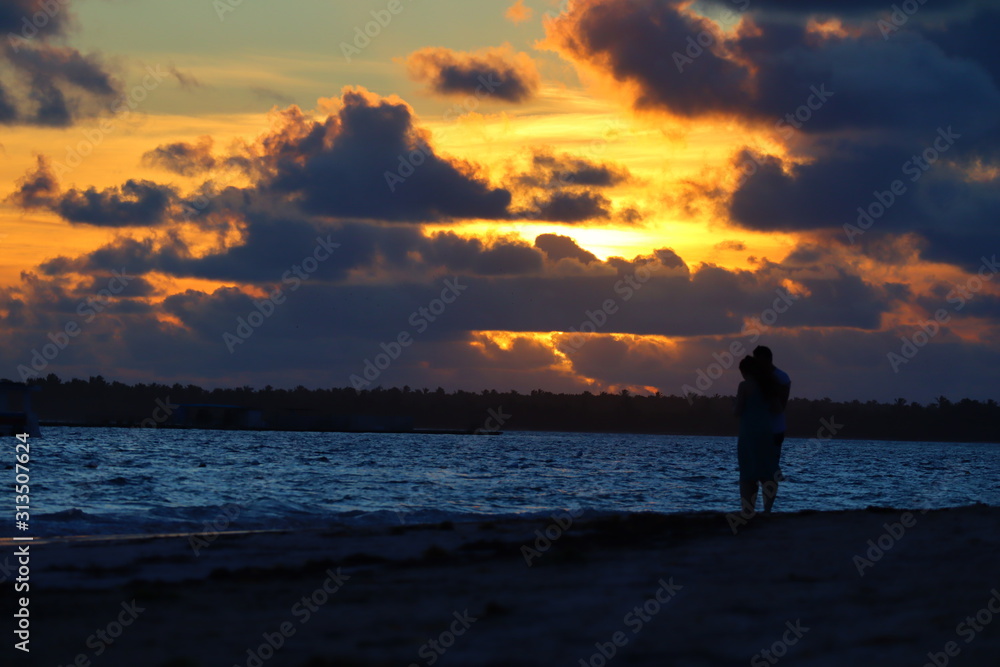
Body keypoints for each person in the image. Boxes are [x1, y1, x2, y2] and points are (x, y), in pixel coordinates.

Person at [734, 355, 781, 515]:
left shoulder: (744, 386)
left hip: (748, 433)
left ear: (745, 371)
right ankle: (768, 510)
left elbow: (738, 410)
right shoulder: (770, 386)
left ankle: (748, 510)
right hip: (766, 433)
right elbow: (777, 409)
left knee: (748, 472)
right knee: (768, 472)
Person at [752, 345, 791, 511]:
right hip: (758, 430)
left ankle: (768, 508)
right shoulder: (758, 377)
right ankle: (758, 508)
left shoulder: (781, 377)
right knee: (757, 470)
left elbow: (780, 405)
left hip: (774, 430)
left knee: (770, 471)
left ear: (766, 359)